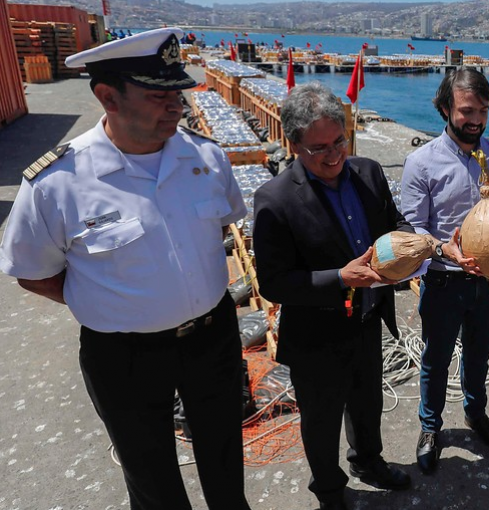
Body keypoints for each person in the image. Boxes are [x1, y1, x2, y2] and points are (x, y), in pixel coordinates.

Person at [0, 28, 252, 509]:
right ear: (107, 96)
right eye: (158, 94)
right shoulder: (58, 183)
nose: (176, 106)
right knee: (151, 475)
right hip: (124, 355)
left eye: (178, 93)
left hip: (212, 337)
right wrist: (117, 303)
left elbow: (216, 232)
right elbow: (32, 272)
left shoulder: (206, 157)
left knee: (224, 457)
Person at [253, 81, 412, 510]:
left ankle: (368, 461)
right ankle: (328, 489)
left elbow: (394, 225)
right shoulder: (274, 200)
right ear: (294, 145)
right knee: (321, 422)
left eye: (339, 140)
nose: (333, 154)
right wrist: (340, 277)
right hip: (316, 336)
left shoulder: (369, 172)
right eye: (319, 148)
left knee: (368, 403)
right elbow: (274, 282)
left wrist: (415, 247)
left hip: (366, 320)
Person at [401, 67, 489, 474]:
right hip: (443, 280)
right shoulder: (421, 162)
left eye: (483, 110)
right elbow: (412, 227)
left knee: (479, 354)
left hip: (488, 283)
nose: (476, 121)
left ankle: (475, 412)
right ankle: (430, 427)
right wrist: (445, 251)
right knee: (435, 358)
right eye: (468, 111)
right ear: (445, 108)